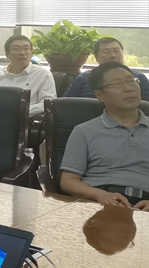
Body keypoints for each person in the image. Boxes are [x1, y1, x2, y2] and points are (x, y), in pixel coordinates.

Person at [60, 62, 149, 210]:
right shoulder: (84, 131)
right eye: (117, 84)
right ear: (99, 95)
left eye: (131, 80)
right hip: (98, 203)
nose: (128, 88)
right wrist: (99, 195)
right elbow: (68, 181)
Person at [0, 35, 57, 117]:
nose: (22, 53)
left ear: (32, 53)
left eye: (26, 49)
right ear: (7, 55)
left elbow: (47, 103)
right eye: (16, 49)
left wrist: (22, 111)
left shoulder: (43, 74)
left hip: (26, 120)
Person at [63, 37, 149, 100]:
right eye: (106, 52)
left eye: (116, 51)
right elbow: (65, 104)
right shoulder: (84, 77)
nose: (113, 56)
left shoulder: (138, 78)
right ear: (96, 57)